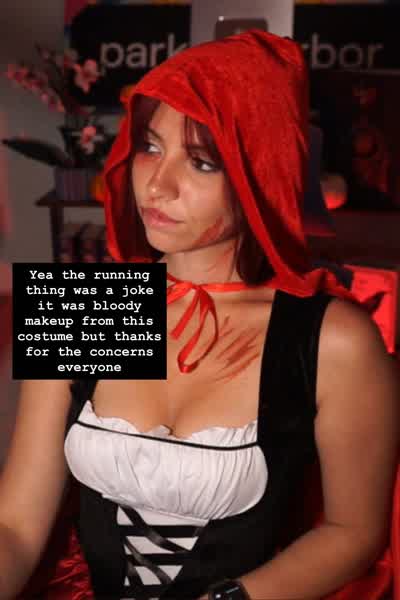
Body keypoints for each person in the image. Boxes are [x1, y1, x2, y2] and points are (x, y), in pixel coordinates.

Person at [1, 29, 399, 600]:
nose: (157, 185)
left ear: (260, 173)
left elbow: (352, 531)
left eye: (202, 162)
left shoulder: (331, 338)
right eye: (150, 147)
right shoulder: (91, 305)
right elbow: (16, 525)